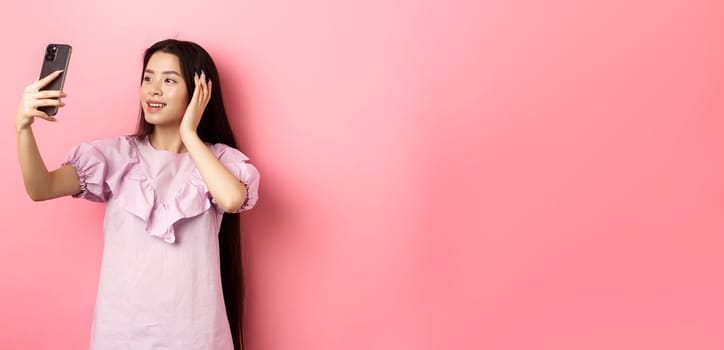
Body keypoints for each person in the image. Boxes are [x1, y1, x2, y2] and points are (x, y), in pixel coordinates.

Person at [15, 39, 260, 350]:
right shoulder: (115, 156)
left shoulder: (219, 161)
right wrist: (23, 127)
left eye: (169, 80)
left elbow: (232, 199)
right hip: (121, 334)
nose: (153, 90)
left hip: (196, 335)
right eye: (148, 77)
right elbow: (41, 188)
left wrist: (189, 134)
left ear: (201, 92)